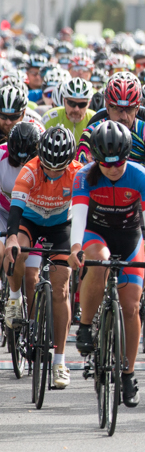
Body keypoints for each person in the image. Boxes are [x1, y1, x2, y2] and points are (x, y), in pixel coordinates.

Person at [69, 121, 145, 408]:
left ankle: (127, 374)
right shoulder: (85, 176)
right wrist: (75, 248)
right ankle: (85, 326)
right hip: (95, 233)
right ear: (96, 159)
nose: (112, 169)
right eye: (105, 163)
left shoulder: (141, 177)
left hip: (130, 237)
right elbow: (79, 217)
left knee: (131, 307)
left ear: (128, 156)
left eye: (119, 162)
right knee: (98, 260)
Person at [4, 125, 80, 389]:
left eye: (59, 168)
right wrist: (11, 237)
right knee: (16, 251)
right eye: (48, 166)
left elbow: (84, 212)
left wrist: (79, 245)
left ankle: (59, 361)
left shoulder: (78, 173)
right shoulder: (30, 170)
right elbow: (15, 208)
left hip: (61, 227)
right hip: (30, 221)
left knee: (60, 290)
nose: (52, 173)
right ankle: (14, 299)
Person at [78, 76, 145, 168]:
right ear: (107, 107)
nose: (123, 116)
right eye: (117, 109)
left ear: (137, 109)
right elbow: (81, 172)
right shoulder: (90, 134)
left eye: (129, 109)